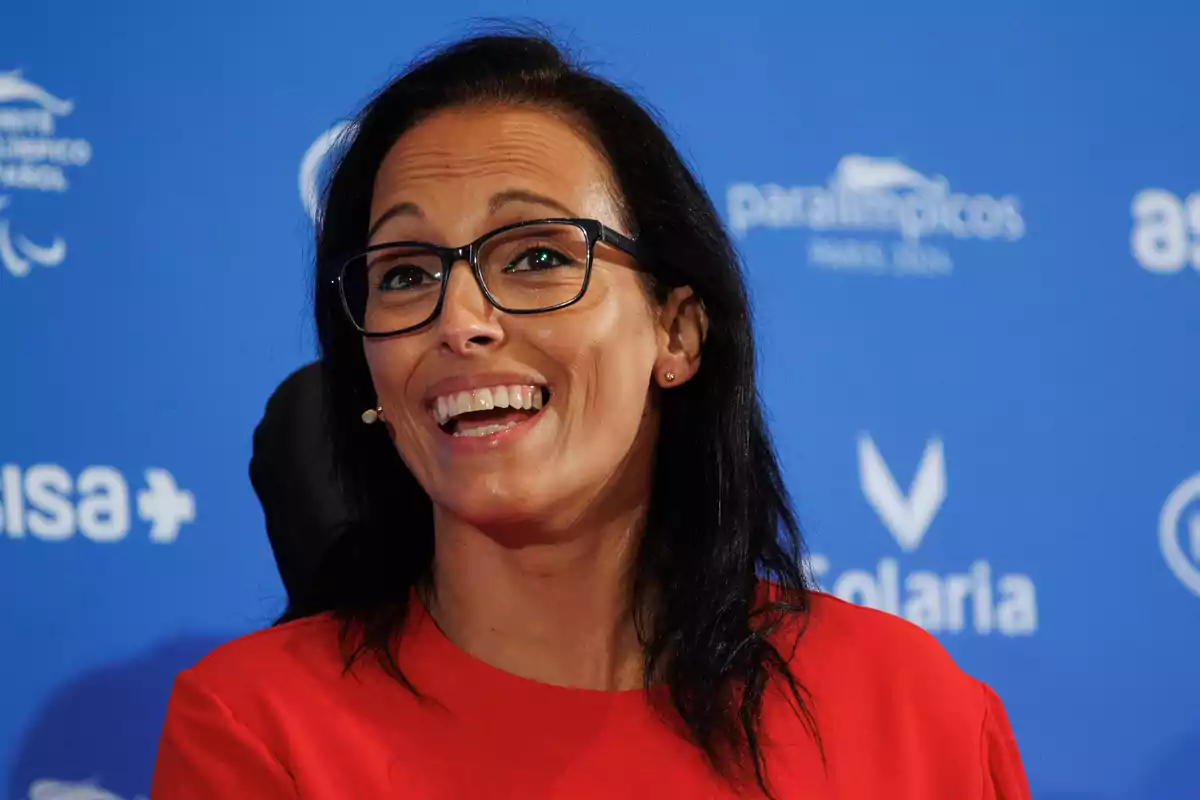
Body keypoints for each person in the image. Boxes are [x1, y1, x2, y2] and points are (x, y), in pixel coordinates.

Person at [151, 30, 1031, 799]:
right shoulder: (257, 724)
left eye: (535, 255)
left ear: (677, 331)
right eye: (405, 274)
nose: (460, 321)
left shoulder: (915, 712)